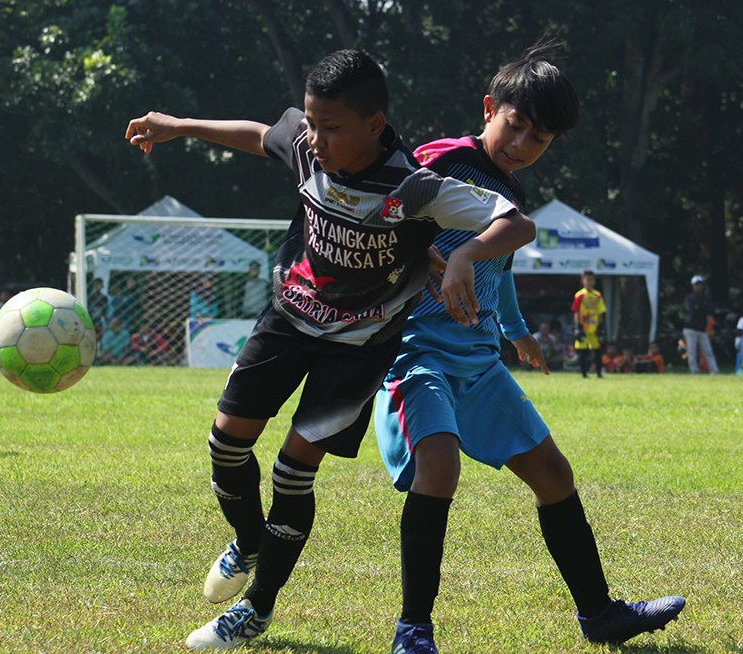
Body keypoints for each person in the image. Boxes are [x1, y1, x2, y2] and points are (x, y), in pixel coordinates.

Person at [125, 49, 535, 651]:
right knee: (226, 444)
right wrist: (178, 125)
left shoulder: (412, 187)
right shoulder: (307, 142)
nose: (315, 138)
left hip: (357, 349)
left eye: (331, 127)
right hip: (289, 319)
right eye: (312, 123)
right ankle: (248, 540)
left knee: (294, 470)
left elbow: (516, 223)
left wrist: (467, 254)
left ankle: (256, 608)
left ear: (374, 125)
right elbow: (262, 133)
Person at [372, 45, 684, 654]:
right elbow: (385, 216)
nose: (521, 143)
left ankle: (599, 615)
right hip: (417, 354)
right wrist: (436, 255)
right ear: (489, 109)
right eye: (514, 125)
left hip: (479, 360)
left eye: (538, 138)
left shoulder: (507, 190)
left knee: (553, 474)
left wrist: (516, 331)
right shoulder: (441, 161)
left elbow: (500, 266)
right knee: (439, 465)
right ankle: (413, 631)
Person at [572, 270, 607, 378]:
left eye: (592, 280)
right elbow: (576, 312)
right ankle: (584, 374)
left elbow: (600, 312)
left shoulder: (597, 295)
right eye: (588, 280)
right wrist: (578, 327)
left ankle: (599, 373)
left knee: (597, 351)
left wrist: (601, 327)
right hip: (583, 327)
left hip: (594, 328)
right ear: (583, 281)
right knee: (583, 352)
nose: (590, 282)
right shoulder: (579, 295)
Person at [682, 275, 719, 374]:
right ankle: (694, 371)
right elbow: (692, 311)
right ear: (693, 286)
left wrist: (700, 308)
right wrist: (703, 309)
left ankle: (714, 370)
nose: (699, 287)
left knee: (708, 351)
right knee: (692, 352)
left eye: (700, 285)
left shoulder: (705, 299)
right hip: (690, 328)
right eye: (697, 285)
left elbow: (711, 310)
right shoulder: (689, 299)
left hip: (702, 329)